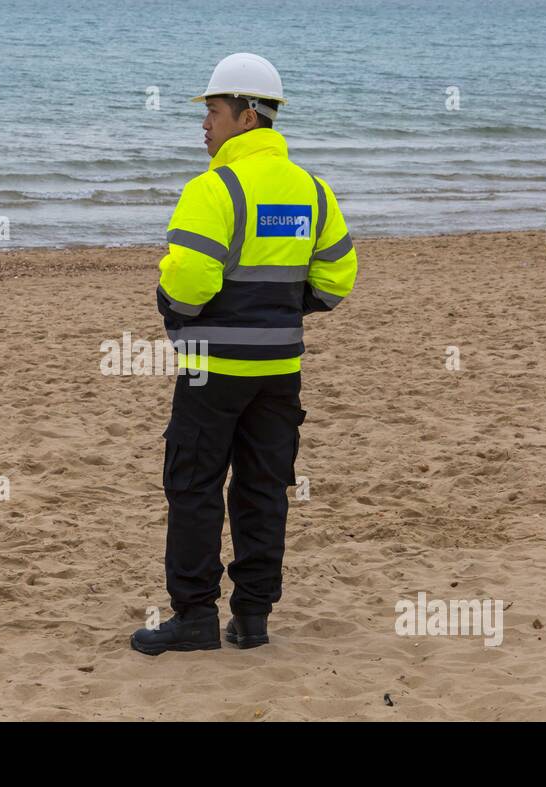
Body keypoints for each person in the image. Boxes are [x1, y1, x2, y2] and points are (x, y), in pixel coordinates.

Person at [130, 53, 358, 655]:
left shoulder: (214, 189)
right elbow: (337, 282)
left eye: (212, 111)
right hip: (279, 373)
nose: (204, 124)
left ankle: (195, 617)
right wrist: (280, 309)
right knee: (262, 491)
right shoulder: (312, 190)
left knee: (195, 488)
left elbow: (189, 284)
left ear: (247, 116)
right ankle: (252, 619)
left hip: (213, 372)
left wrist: (170, 302)